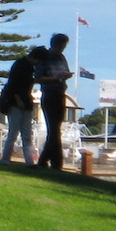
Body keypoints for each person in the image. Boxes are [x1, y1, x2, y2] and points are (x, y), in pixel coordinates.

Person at [0, 46, 44, 166]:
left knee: (26, 134)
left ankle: (29, 161)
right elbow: (13, 84)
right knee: (14, 132)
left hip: (26, 101)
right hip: (16, 102)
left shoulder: (27, 66)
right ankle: (6, 159)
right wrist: (18, 99)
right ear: (34, 57)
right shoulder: (20, 65)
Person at [35, 33, 72, 169]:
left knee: (55, 129)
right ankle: (55, 162)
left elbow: (64, 73)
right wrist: (56, 78)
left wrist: (64, 77)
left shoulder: (61, 58)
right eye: (62, 45)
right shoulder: (46, 58)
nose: (63, 48)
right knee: (54, 129)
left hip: (60, 93)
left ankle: (45, 161)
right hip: (49, 94)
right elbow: (38, 78)